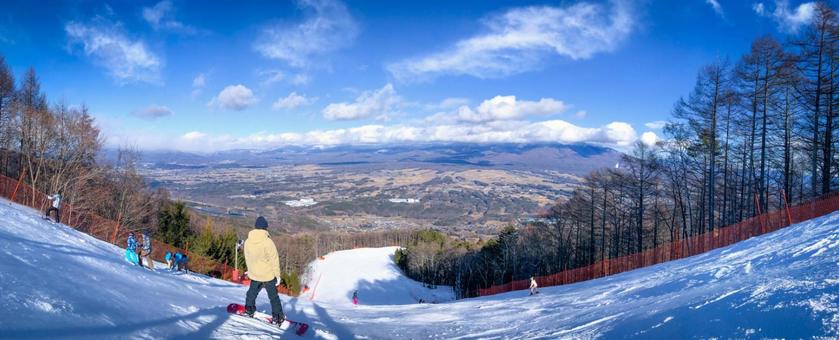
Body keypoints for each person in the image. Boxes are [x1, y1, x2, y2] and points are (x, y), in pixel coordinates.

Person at [243, 216, 285, 326]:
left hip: (255, 274)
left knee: (251, 294)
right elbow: (274, 260)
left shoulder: (248, 241)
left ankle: (248, 310)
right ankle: (277, 317)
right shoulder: (267, 242)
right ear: (265, 228)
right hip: (268, 274)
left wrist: (250, 270)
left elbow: (248, 258)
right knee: (273, 297)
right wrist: (277, 276)